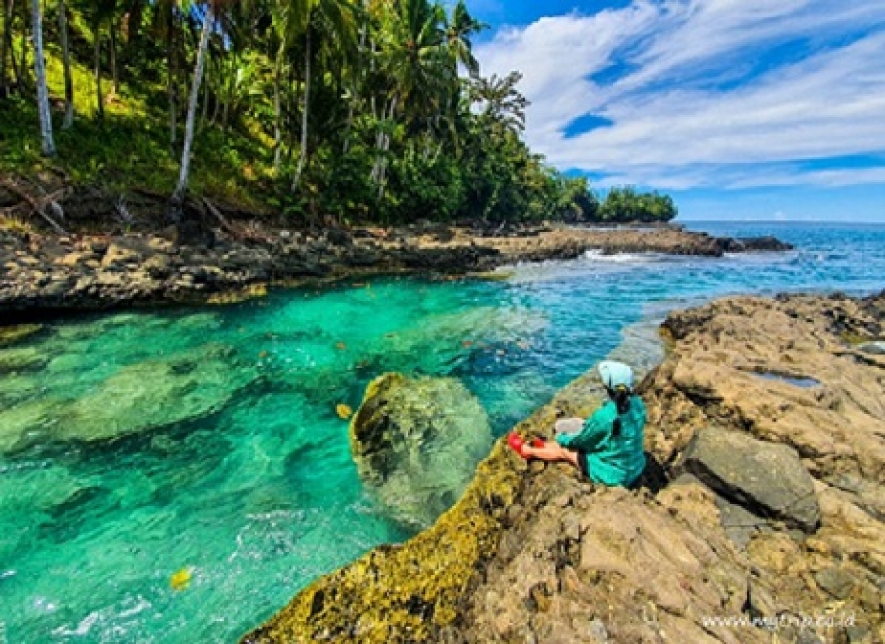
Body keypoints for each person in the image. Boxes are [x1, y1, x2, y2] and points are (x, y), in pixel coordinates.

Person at [507, 360, 647, 488]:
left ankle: (528, 451)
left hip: (614, 475)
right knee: (582, 425)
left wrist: (561, 438)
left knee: (565, 449)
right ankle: (544, 446)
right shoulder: (638, 404)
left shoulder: (606, 416)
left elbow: (580, 442)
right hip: (635, 466)